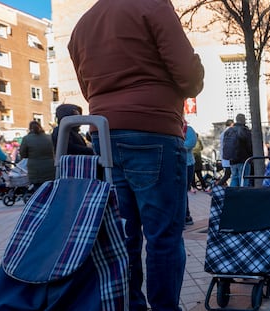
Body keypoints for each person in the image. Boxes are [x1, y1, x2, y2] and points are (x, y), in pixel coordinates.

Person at [67, 1, 204, 310]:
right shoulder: (151, 5)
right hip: (152, 129)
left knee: (121, 233)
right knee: (163, 235)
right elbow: (187, 76)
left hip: (105, 133)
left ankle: (128, 305)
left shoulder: (84, 23)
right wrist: (197, 72)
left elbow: (89, 89)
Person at [19, 121, 55, 190]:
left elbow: (23, 154)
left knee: (38, 190)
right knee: (50, 189)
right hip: (50, 167)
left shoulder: (26, 139)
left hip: (35, 170)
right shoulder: (49, 137)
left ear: (30, 128)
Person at [223, 114, 252, 187]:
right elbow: (249, 145)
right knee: (244, 178)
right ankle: (243, 196)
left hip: (232, 159)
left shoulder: (228, 131)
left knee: (234, 178)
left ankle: (234, 195)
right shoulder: (245, 130)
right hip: (244, 159)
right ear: (243, 120)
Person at [184, 122, 197, 226]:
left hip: (187, 164)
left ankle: (185, 216)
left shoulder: (188, 129)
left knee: (183, 191)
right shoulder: (170, 127)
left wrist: (175, 145)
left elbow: (191, 142)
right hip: (172, 164)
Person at [217, 119, 234, 186]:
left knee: (228, 174)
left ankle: (218, 186)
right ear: (232, 124)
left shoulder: (223, 133)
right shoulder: (229, 132)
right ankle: (218, 186)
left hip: (224, 157)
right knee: (228, 174)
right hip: (228, 157)